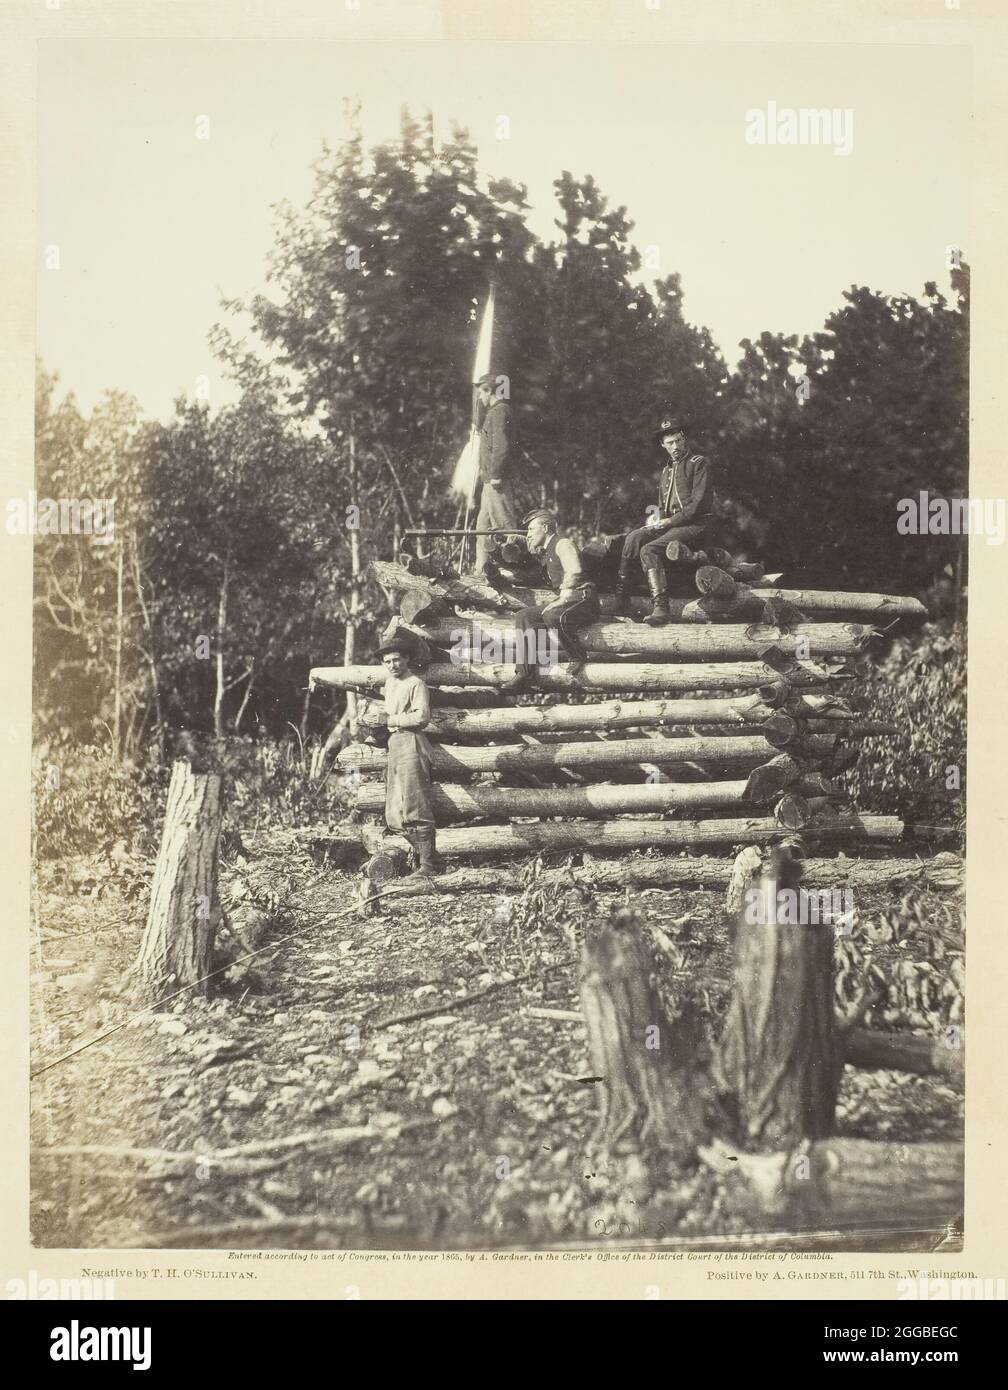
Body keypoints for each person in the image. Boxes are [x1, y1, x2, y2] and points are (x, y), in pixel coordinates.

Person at [615, 417, 715, 626]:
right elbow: (663, 507)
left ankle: (661, 607)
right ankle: (621, 596)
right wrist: (657, 520)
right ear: (663, 445)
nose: (675, 446)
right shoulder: (666, 470)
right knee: (634, 537)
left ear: (684, 439)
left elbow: (698, 505)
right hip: (673, 525)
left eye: (678, 441)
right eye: (670, 443)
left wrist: (668, 522)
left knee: (648, 550)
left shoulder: (698, 463)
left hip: (696, 525)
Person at [506, 509, 601, 689]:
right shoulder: (546, 551)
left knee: (552, 616)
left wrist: (562, 597)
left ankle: (577, 655)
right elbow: (531, 555)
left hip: (583, 599)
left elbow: (574, 571)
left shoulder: (562, 544)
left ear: (546, 527)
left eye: (532, 529)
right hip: (569, 601)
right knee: (524, 616)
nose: (529, 534)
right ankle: (525, 674)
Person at [377, 636, 443, 882]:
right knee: (394, 814)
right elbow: (388, 714)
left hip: (412, 741)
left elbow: (421, 717)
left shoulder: (416, 683)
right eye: (388, 661)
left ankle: (428, 865)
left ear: (406, 659)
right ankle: (434, 859)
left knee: (416, 805)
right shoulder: (390, 684)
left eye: (396, 659)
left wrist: (391, 720)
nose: (393, 665)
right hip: (395, 743)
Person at [473, 372, 519, 575]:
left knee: (504, 524)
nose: (479, 398)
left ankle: (515, 567)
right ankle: (480, 569)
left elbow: (501, 446)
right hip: (488, 480)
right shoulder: (492, 412)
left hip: (495, 479)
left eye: (481, 393)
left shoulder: (500, 412)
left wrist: (496, 474)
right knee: (482, 526)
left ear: (489, 391)